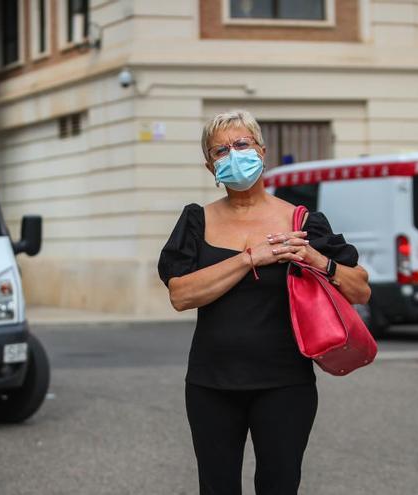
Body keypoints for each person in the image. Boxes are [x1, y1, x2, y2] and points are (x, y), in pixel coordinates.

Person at [158, 110, 371, 495]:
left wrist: (316, 258)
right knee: (216, 488)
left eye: (242, 145)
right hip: (211, 384)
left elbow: (360, 290)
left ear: (262, 151)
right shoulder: (196, 221)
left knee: (279, 485)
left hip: (284, 383)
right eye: (220, 151)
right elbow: (181, 295)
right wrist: (248, 258)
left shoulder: (300, 220)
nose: (233, 155)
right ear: (210, 167)